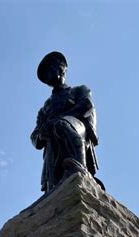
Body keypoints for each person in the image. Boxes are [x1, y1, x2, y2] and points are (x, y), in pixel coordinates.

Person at [31, 51, 100, 192]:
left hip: (76, 127)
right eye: (44, 75)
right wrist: (40, 136)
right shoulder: (45, 108)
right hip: (53, 141)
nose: (47, 76)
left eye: (49, 69)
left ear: (62, 68)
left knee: (61, 124)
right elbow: (35, 135)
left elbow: (86, 106)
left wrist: (58, 120)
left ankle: (79, 168)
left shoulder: (79, 90)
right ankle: (54, 184)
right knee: (56, 127)